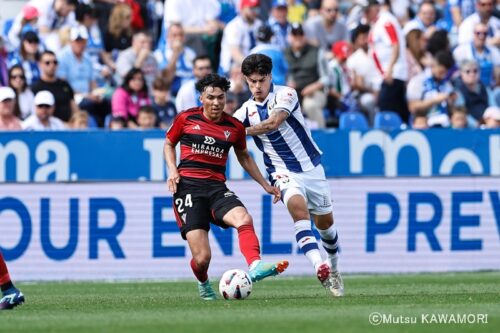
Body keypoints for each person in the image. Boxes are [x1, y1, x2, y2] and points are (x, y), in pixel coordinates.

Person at [164, 73, 288, 300]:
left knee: (244, 218)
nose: (216, 102)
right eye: (211, 97)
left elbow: (245, 157)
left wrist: (265, 185)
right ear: (201, 98)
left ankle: (255, 265)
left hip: (216, 187)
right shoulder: (186, 119)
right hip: (188, 188)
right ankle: (203, 283)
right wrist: (173, 170)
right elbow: (169, 143)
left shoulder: (234, 127)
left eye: (221, 97)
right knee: (202, 259)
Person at [233, 53, 343, 297]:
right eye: (252, 82)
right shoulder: (244, 111)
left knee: (326, 227)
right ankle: (319, 266)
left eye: (261, 80)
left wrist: (238, 132)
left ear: (270, 77)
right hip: (281, 172)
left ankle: (333, 267)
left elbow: (273, 123)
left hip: (311, 168)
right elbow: (227, 136)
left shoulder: (287, 94)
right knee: (298, 211)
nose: (257, 87)